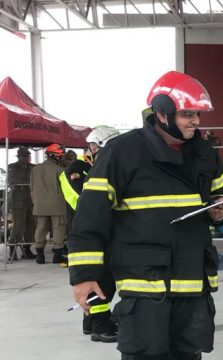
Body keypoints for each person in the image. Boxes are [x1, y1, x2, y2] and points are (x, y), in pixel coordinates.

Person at [68, 71, 223, 360]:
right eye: (187, 114)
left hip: (193, 281)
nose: (196, 121)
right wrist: (84, 276)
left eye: (197, 114)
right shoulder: (122, 153)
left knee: (188, 354)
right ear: (162, 113)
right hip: (145, 284)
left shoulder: (203, 152)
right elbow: (89, 218)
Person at [59, 124, 122, 343]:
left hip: (105, 229)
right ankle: (101, 325)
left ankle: (91, 322)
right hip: (89, 231)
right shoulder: (77, 169)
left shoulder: (103, 167)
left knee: (106, 277)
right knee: (101, 279)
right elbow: (83, 202)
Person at [30, 143, 67, 265]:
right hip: (57, 205)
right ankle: (57, 255)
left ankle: (39, 256)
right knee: (58, 228)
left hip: (39, 205)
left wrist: (35, 201)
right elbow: (65, 188)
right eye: (60, 156)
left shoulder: (35, 170)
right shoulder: (60, 170)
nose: (61, 158)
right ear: (55, 156)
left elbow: (31, 188)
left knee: (40, 228)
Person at [7, 146, 35, 261]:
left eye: (28, 155)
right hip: (18, 200)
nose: (27, 158)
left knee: (31, 225)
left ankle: (27, 249)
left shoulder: (33, 167)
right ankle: (12, 250)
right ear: (20, 157)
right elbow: (12, 181)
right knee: (18, 226)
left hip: (31, 199)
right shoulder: (12, 167)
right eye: (25, 156)